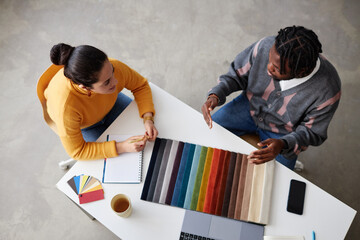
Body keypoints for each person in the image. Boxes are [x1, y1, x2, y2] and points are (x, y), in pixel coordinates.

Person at [201, 26, 341, 170]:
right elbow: (236, 74)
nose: (268, 67)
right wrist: (216, 94)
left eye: (276, 68)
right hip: (248, 107)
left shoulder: (328, 91)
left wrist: (284, 144)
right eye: (269, 60)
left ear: (301, 72)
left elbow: (312, 132)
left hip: (283, 134)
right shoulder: (265, 46)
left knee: (281, 176)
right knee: (207, 134)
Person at [37, 43, 158, 160]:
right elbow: (77, 151)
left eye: (112, 71)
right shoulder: (65, 108)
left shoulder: (110, 68)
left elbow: (140, 85)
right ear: (84, 87)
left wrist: (148, 118)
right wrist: (122, 147)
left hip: (111, 102)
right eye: (106, 82)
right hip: (86, 125)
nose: (115, 82)